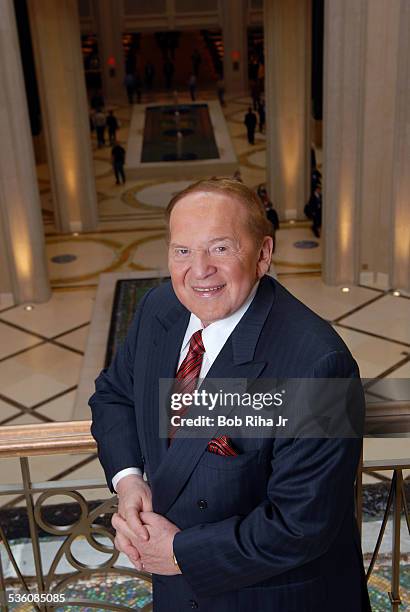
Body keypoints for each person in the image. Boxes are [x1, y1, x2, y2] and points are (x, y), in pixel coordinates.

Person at [90, 177, 371, 612]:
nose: (198, 270)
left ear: (263, 254)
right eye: (182, 250)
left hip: (274, 598)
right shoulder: (159, 308)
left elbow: (303, 524)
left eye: (221, 248)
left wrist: (180, 552)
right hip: (178, 593)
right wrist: (128, 481)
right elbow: (114, 395)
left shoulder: (318, 366)